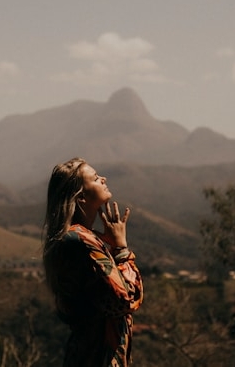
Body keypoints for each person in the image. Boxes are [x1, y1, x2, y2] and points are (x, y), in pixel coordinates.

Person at [43, 157, 143, 367]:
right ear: (80, 197)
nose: (103, 179)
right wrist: (121, 249)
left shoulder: (81, 239)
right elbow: (126, 300)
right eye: (96, 178)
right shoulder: (80, 241)